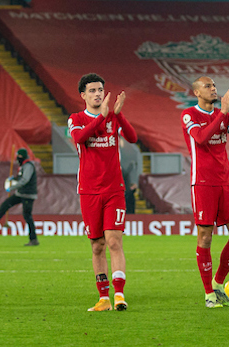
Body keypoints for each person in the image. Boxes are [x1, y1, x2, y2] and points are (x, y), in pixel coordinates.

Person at [67, 73, 138, 312]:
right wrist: (102, 118)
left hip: (114, 190)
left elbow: (133, 137)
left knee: (114, 241)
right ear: (83, 95)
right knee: (97, 245)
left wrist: (117, 114)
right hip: (88, 191)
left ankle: (119, 294)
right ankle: (103, 298)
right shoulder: (75, 118)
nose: (98, 94)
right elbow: (79, 137)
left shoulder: (113, 118)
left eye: (100, 90)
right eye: (93, 91)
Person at [182, 77, 229, 309]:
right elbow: (200, 139)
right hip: (202, 183)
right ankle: (208, 293)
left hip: (226, 183)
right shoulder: (189, 115)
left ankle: (218, 283)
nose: (213, 89)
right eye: (208, 86)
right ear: (197, 92)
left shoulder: (225, 116)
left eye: (214, 86)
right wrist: (222, 113)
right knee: (205, 237)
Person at [0, 148, 38, 246]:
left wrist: (12, 186)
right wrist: (14, 179)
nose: (17, 158)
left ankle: (33, 239)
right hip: (21, 193)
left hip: (28, 195)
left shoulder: (28, 166)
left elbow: (25, 180)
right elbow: (21, 178)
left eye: (19, 156)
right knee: (5, 204)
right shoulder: (23, 166)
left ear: (22, 156)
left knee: (27, 216)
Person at [119, 136, 142, 215]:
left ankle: (129, 216)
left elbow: (134, 167)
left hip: (126, 185)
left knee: (129, 199)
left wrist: (134, 182)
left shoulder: (131, 151)